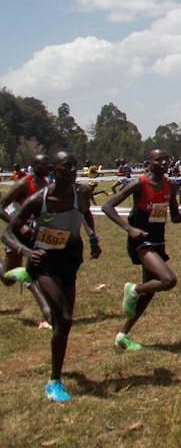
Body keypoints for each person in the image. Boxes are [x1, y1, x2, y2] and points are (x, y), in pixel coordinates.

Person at [1, 150, 100, 401]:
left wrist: (92, 236)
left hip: (70, 260)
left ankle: (57, 371)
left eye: (74, 165)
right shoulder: (38, 199)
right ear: (54, 171)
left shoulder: (82, 193)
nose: (73, 169)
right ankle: (54, 381)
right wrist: (25, 250)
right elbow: (7, 234)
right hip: (43, 261)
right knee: (64, 319)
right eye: (66, 166)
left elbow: (86, 212)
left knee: (63, 322)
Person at [101, 148, 181, 351]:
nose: (164, 163)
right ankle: (132, 289)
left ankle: (122, 335)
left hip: (158, 242)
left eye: (166, 159)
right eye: (158, 159)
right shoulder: (139, 184)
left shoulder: (170, 186)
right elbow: (107, 206)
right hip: (141, 242)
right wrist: (129, 228)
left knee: (150, 292)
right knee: (168, 280)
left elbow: (174, 217)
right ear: (149, 162)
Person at [1, 152, 53, 328]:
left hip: (34, 234)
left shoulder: (46, 183)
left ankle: (50, 314)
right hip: (16, 232)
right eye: (44, 165)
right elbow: (1, 206)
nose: (48, 167)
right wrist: (18, 225)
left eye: (48, 164)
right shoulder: (24, 183)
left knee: (41, 270)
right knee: (8, 279)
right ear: (34, 167)